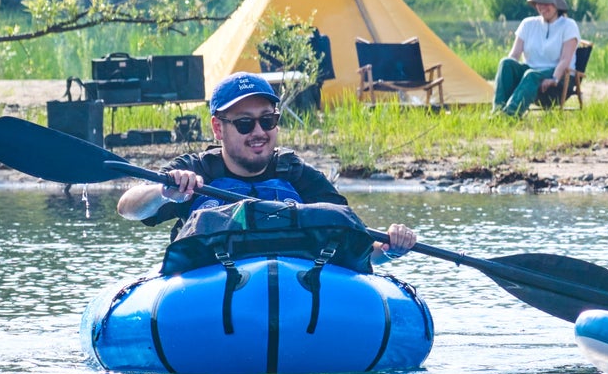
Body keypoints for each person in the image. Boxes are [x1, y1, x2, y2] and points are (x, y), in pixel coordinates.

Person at [116, 71, 418, 253]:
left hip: (292, 293)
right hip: (209, 295)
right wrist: (164, 192)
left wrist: (391, 247)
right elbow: (127, 207)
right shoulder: (198, 170)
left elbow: (356, 244)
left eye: (268, 121)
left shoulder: (297, 175)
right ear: (218, 128)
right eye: (245, 124)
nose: (259, 132)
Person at [494, 0, 580, 116]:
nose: (542, 7)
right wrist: (510, 73)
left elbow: (565, 59)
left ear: (557, 5)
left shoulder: (569, 26)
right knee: (506, 63)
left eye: (547, 3)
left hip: (556, 77)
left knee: (532, 75)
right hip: (528, 74)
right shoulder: (528, 24)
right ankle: (497, 112)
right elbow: (514, 55)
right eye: (540, 2)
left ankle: (510, 115)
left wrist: (554, 78)